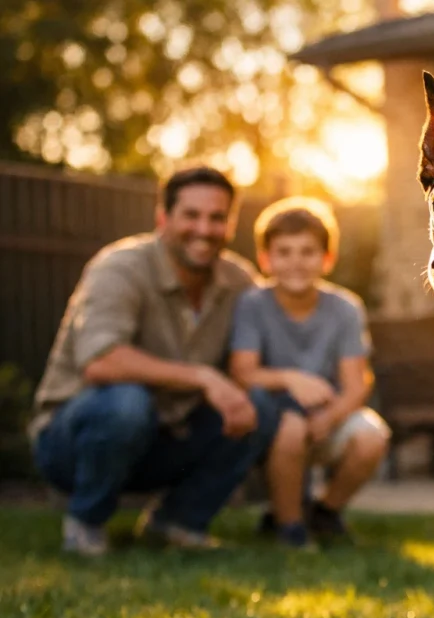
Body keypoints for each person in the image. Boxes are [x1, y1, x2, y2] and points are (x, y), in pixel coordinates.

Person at [30, 166, 282, 556]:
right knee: (126, 403)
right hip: (74, 441)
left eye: (217, 218)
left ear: (230, 225)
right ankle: (85, 524)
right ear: (163, 217)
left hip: (168, 438)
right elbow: (101, 361)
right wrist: (203, 377)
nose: (204, 228)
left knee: (261, 406)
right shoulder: (119, 268)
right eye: (191, 215)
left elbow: (262, 356)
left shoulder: (239, 282)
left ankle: (178, 522)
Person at [229, 197, 390, 549]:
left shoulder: (346, 308)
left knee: (372, 436)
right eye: (284, 252)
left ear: (326, 259)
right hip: (270, 419)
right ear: (265, 259)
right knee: (292, 427)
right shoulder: (253, 304)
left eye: (308, 252)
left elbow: (356, 384)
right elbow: (243, 373)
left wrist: (331, 417)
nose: (296, 262)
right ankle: (289, 527)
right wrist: (290, 379)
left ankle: (324, 512)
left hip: (326, 414)